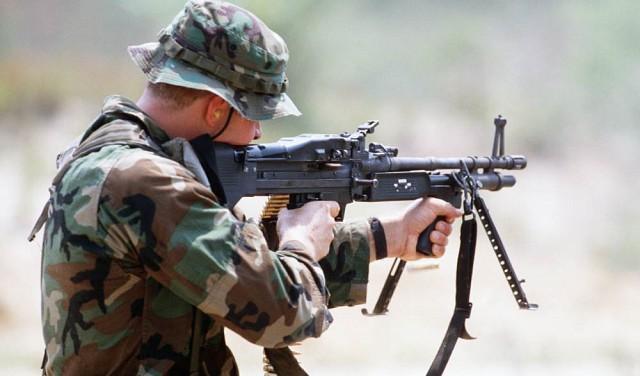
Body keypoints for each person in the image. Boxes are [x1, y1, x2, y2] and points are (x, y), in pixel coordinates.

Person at [34, 1, 461, 374]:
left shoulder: (127, 157)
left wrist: (391, 236)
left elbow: (243, 270)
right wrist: (299, 240)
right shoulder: (146, 181)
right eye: (255, 115)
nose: (257, 132)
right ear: (217, 108)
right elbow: (282, 313)